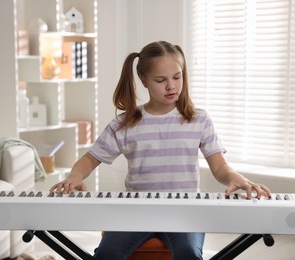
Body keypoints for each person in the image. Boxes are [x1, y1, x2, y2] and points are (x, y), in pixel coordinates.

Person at [50, 41, 271, 260]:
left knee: (189, 253)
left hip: (184, 211)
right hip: (137, 211)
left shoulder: (198, 119)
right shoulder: (125, 123)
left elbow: (220, 166)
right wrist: (74, 176)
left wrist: (237, 178)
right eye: (160, 80)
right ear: (144, 80)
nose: (171, 86)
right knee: (108, 254)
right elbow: (90, 158)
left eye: (177, 77)